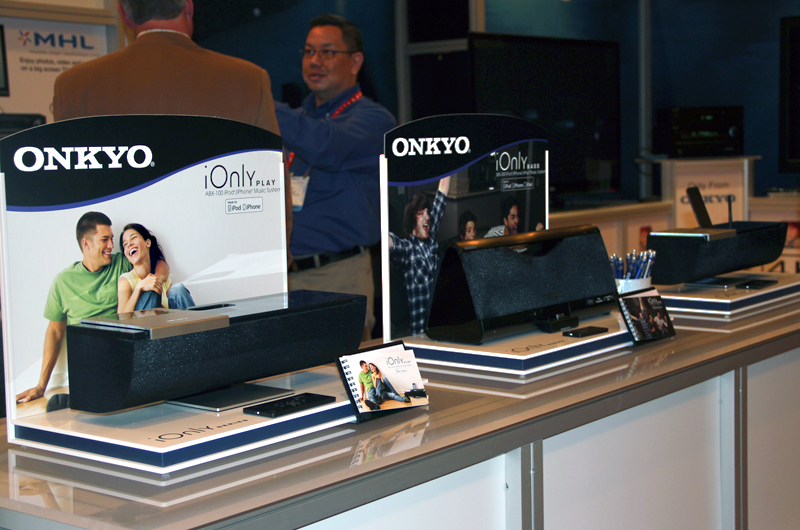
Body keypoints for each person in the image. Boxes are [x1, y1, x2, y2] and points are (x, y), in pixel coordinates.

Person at [51, 0, 291, 256]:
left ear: (124, 14)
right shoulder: (247, 80)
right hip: (224, 258)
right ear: (189, 7)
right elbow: (272, 187)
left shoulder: (74, 86)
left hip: (122, 267)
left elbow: (65, 192)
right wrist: (276, 261)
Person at [276, 14, 397, 340]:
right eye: (308, 51)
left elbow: (324, 146)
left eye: (328, 52)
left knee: (338, 369)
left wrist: (255, 99)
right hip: (282, 279)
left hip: (337, 277)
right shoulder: (298, 121)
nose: (314, 61)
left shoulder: (374, 120)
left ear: (355, 61)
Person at [16, 212, 168, 403]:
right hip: (89, 363)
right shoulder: (63, 282)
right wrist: (41, 386)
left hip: (123, 355)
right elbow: (54, 331)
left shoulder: (120, 263)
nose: (111, 245)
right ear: (86, 243)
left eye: (112, 239)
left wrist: (157, 279)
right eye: (105, 240)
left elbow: (157, 260)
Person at [389, 177, 451, 336]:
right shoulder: (407, 249)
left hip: (441, 328)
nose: (427, 217)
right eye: (421, 214)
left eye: (427, 212)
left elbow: (442, 193)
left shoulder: (431, 236)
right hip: (420, 334)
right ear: (412, 220)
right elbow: (389, 242)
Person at [117, 223, 195, 312]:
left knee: (178, 289)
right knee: (151, 291)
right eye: (125, 244)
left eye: (133, 237)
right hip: (142, 320)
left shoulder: (161, 276)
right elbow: (122, 317)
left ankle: (197, 320)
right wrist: (139, 288)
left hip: (166, 320)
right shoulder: (126, 280)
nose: (129, 244)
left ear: (147, 243)